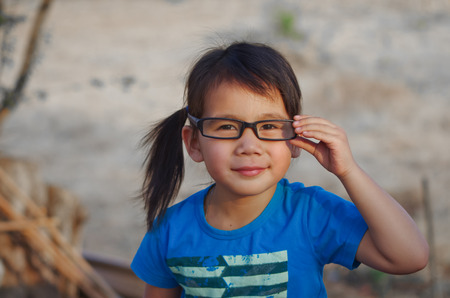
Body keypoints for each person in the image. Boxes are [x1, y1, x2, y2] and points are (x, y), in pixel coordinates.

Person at [131, 41, 428, 297]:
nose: (249, 145)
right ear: (194, 142)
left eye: (270, 126)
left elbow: (409, 257)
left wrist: (348, 170)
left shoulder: (312, 214)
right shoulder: (169, 231)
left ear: (296, 138)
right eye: (226, 126)